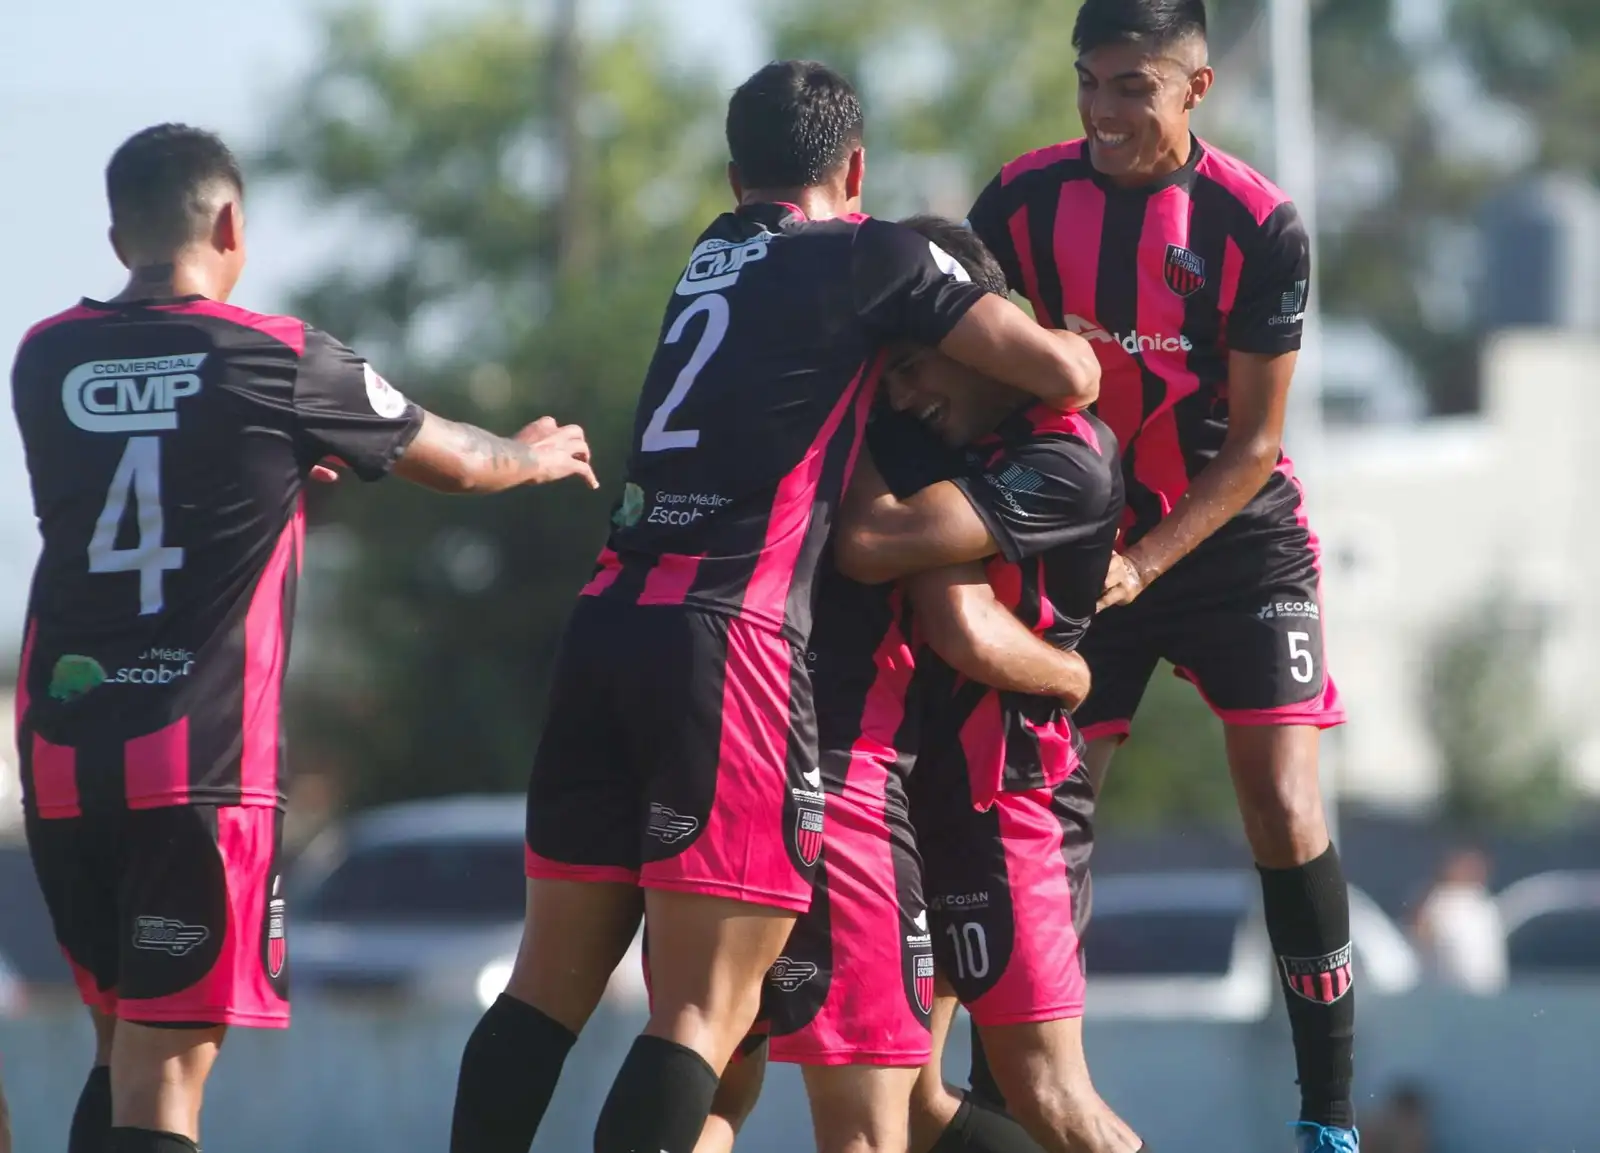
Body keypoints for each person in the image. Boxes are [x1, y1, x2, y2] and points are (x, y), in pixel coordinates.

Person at [448, 61, 1102, 1153]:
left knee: (540, 994)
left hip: (608, 614)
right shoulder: (870, 251)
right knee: (704, 1020)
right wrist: (1075, 342)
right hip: (727, 637)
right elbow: (1065, 377)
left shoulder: (708, 255)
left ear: (732, 174)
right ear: (856, 170)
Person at [11, 123, 597, 1153]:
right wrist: (532, 455)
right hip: (197, 763)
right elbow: (455, 458)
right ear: (231, 224)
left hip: (61, 758)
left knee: (119, 1047)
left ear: (116, 238)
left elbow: (149, 474)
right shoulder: (275, 356)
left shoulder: (44, 354)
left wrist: (269, 472)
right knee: (165, 1073)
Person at [961, 1, 1355, 1150]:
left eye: (1131, 86)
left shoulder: (1257, 223)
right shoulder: (1022, 200)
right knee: (1045, 810)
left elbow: (1253, 445)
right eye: (1089, 80)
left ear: (1195, 88)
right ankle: (1007, 1101)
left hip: (1231, 539)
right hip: (1084, 544)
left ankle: (1327, 1116)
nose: (1103, 109)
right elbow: (955, 352)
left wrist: (1143, 561)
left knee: (1282, 802)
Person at [831, 217, 1144, 1153]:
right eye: (887, 377)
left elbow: (897, 566)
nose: (901, 395)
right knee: (912, 1103)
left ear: (982, 333)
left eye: (913, 366)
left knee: (1053, 1095)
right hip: (918, 792)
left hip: (1010, 795)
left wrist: (1069, 672)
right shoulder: (949, 434)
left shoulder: (1069, 454)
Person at [1410, 848, 1507, 995]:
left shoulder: (1483, 902)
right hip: (1449, 991)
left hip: (1488, 989)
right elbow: (1420, 936)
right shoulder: (1439, 900)